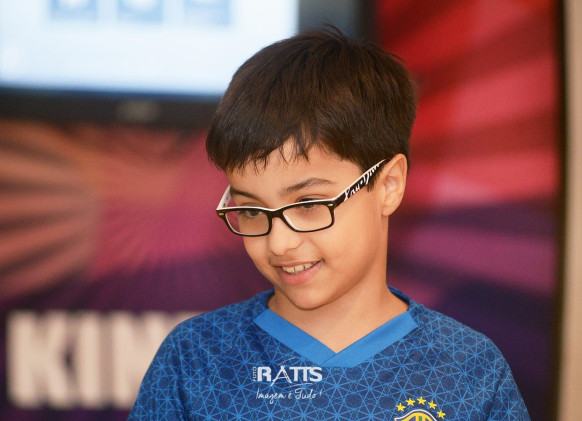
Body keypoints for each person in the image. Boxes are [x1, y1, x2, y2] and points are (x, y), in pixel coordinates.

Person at [128, 27, 529, 420]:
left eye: (308, 204)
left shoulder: (468, 370)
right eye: (252, 211)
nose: (279, 243)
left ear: (388, 185)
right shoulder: (195, 360)